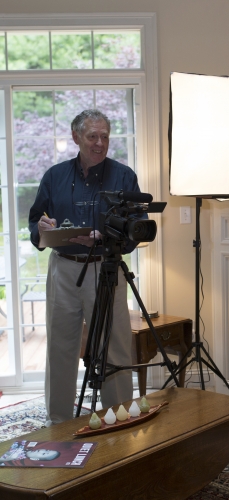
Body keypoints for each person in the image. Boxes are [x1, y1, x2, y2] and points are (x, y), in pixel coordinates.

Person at [29, 109, 142, 426]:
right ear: (76, 137)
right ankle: (59, 421)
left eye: (105, 136)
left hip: (106, 269)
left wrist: (107, 237)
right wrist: (43, 226)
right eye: (92, 136)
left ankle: (119, 420)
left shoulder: (124, 176)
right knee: (60, 348)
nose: (100, 143)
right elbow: (35, 224)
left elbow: (138, 225)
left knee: (114, 349)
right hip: (63, 269)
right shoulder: (54, 176)